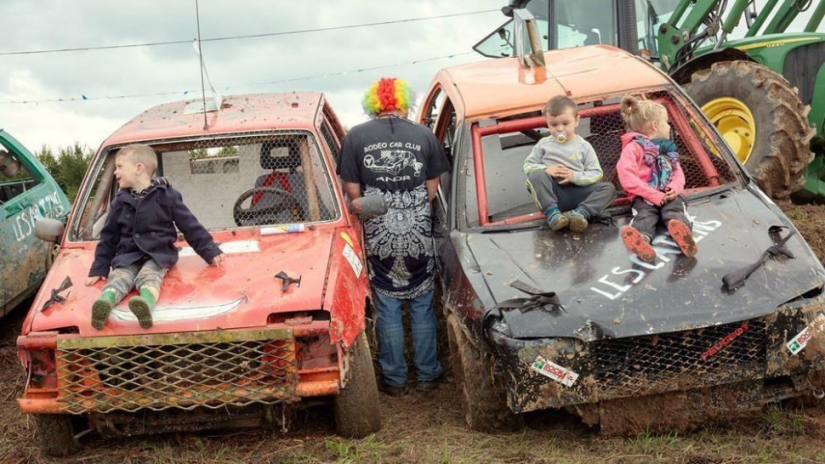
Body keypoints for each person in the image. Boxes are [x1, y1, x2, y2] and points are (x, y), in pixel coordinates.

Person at [338, 77, 449, 396]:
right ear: (403, 102)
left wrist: (379, 210)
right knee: (422, 304)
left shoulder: (356, 136)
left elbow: (353, 192)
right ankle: (428, 374)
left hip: (379, 232)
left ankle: (395, 380)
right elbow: (432, 186)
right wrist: (413, 209)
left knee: (387, 306)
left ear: (374, 103)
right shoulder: (423, 134)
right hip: (417, 229)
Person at [85, 144, 224, 329]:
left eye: (119, 166)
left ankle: (146, 303)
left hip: (158, 254)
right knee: (120, 276)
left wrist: (209, 250)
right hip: (128, 255)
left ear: (139, 168)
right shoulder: (119, 201)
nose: (115, 172)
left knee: (149, 276)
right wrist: (100, 268)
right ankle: (105, 302)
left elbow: (189, 225)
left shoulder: (167, 196)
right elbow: (108, 237)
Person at [617, 95, 698, 263]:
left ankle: (682, 234)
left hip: (668, 194)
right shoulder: (633, 148)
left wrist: (674, 188)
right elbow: (627, 177)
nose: (668, 126)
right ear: (655, 125)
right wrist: (652, 195)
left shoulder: (666, 148)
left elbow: (677, 173)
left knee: (674, 210)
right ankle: (641, 239)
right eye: (666, 122)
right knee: (645, 215)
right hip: (644, 197)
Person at [524, 95, 616, 231]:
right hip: (554, 194)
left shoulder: (584, 146)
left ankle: (580, 214)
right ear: (547, 123)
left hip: (579, 193)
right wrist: (546, 169)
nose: (560, 129)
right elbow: (528, 166)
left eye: (565, 123)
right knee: (536, 175)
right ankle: (553, 215)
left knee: (609, 189)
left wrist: (574, 176)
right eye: (554, 125)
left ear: (576, 121)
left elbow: (596, 173)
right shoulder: (543, 144)